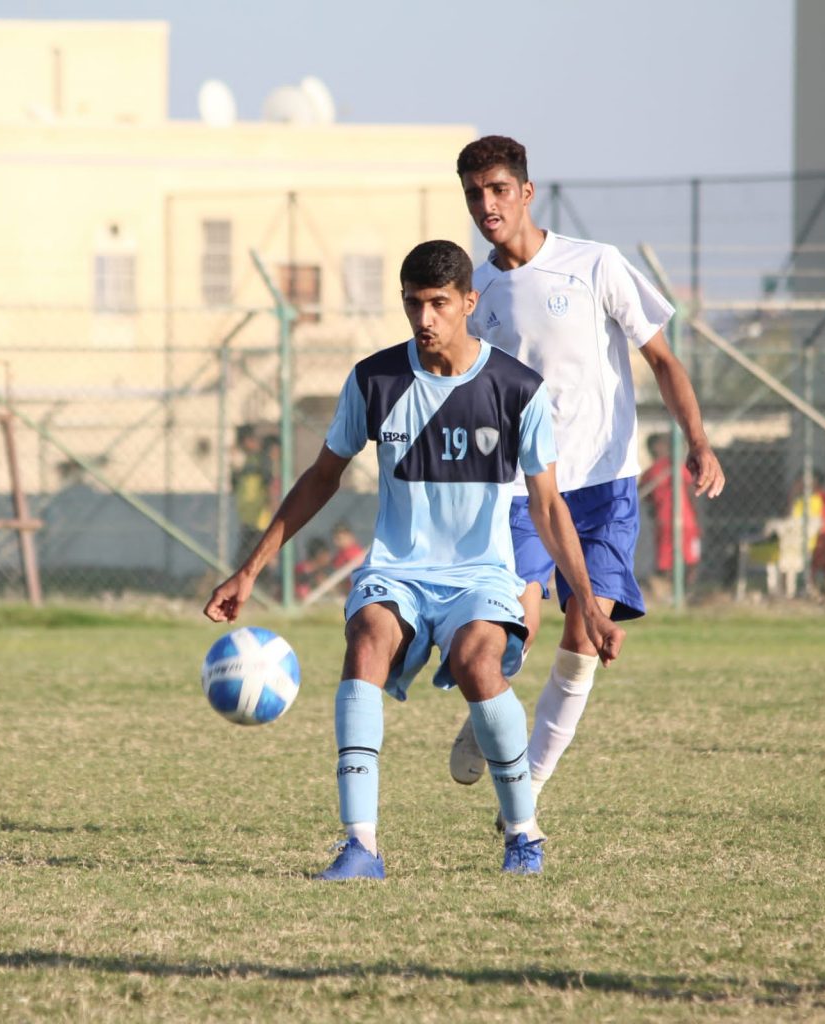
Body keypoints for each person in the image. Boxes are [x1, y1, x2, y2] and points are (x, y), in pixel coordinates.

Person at [204, 240, 624, 880]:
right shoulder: (375, 380)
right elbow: (322, 478)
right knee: (368, 640)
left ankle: (523, 833)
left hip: (480, 576)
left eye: (438, 304)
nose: (425, 319)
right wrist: (249, 569)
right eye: (413, 304)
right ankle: (360, 846)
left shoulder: (517, 389)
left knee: (478, 662)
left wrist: (588, 605)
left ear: (469, 302)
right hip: (396, 572)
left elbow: (547, 506)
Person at [449, 136, 725, 811]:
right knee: (515, 626)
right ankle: (488, 695)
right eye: (475, 194)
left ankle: (530, 785)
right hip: (519, 486)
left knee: (583, 634)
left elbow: (662, 359)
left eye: (498, 190)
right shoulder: (475, 293)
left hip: (604, 483)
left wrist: (697, 439)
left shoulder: (594, 264)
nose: (487, 205)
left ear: (526, 192)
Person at [641, 432, 702, 590]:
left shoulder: (673, 467)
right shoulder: (656, 471)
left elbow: (644, 498)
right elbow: (645, 496)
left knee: (686, 559)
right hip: (674, 521)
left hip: (678, 521)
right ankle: (676, 591)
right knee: (674, 560)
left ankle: (680, 591)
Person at [231, 425, 273, 562]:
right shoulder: (245, 461)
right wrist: (234, 467)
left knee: (254, 558)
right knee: (245, 559)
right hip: (247, 520)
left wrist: (272, 509)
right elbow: (234, 485)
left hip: (260, 520)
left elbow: (269, 486)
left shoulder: (262, 460)